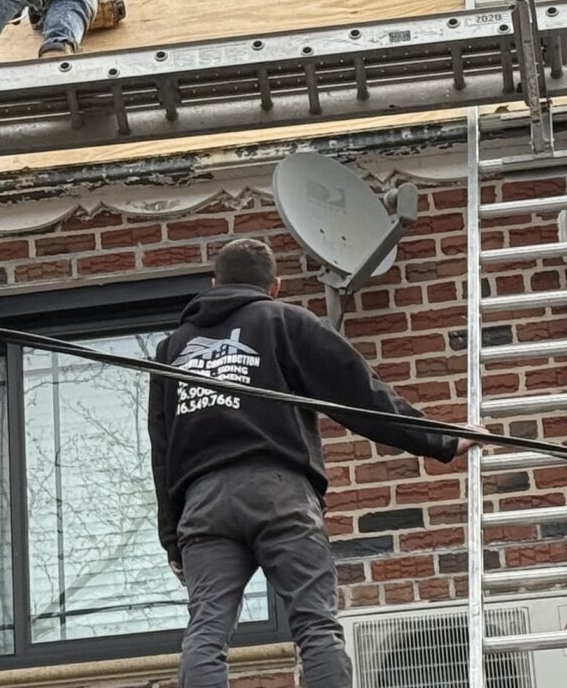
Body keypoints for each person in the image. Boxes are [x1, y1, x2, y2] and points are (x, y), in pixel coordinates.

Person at [148, 238, 478, 688]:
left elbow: (162, 448)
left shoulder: (172, 350)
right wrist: (438, 439)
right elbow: (359, 394)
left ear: (212, 284)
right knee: (315, 626)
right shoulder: (284, 321)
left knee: (206, 633)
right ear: (275, 286)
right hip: (279, 490)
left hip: (203, 506)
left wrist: (172, 539)